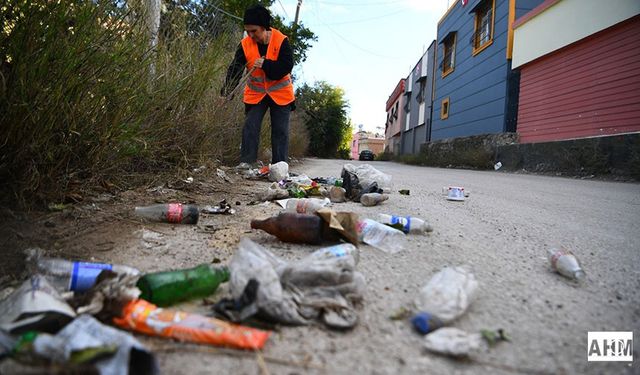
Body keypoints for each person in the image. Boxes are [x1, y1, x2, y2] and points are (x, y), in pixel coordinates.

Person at [221, 4, 295, 169]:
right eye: (248, 31)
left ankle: (279, 167)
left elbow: (285, 67)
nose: (250, 35)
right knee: (250, 126)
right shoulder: (245, 44)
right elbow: (235, 69)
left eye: (254, 31)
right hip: (256, 95)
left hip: (281, 95)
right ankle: (247, 163)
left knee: (280, 131)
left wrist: (266, 64)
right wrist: (225, 93)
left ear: (264, 28)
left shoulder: (281, 40)